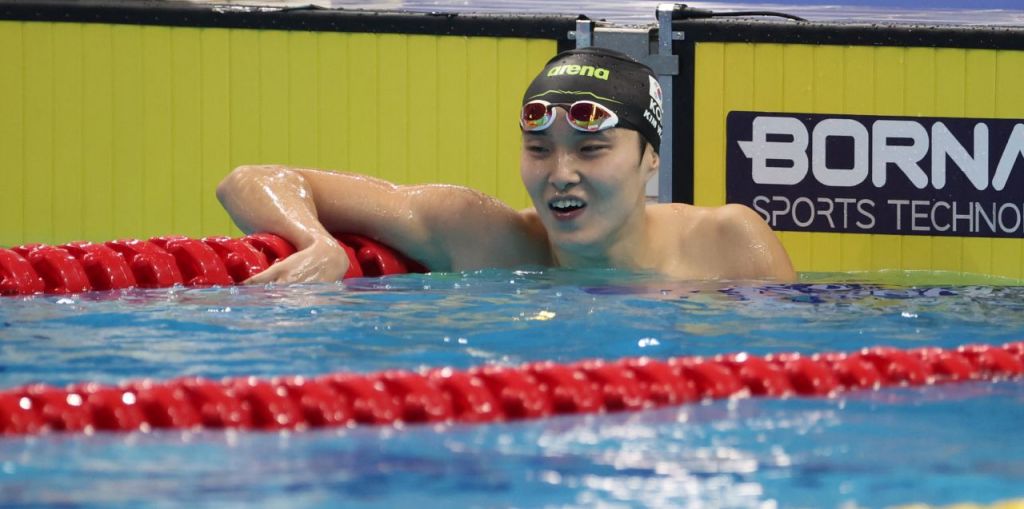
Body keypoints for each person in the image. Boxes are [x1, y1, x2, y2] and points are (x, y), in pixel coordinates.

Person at [217, 47, 795, 283]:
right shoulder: (483, 236)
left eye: (591, 149)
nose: (561, 173)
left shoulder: (726, 243)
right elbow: (251, 180)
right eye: (539, 149)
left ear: (651, 158)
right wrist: (314, 241)